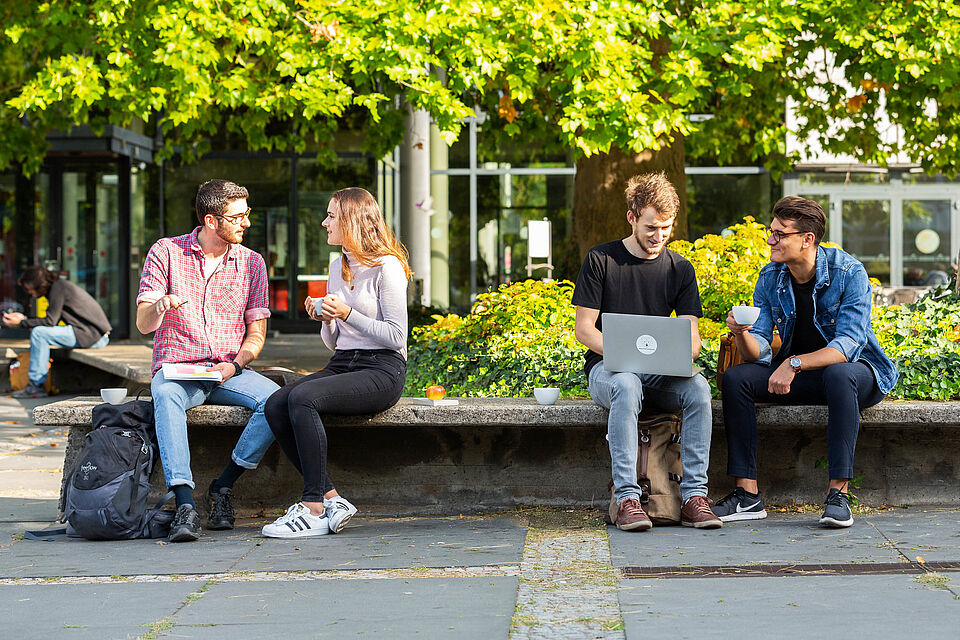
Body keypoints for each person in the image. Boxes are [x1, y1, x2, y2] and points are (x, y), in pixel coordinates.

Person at [714, 196, 898, 528]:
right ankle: (747, 495)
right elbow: (759, 346)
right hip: (805, 378)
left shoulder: (848, 272)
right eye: (771, 232)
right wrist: (741, 334)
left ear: (807, 239)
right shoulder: (771, 277)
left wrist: (794, 363)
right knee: (735, 379)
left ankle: (838, 494)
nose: (770, 240)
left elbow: (848, 345)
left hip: (857, 376)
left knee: (839, 374)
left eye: (779, 234)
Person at [572, 172, 722, 531]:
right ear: (632, 218)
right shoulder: (601, 260)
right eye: (651, 228)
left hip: (657, 373)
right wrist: (624, 354)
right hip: (608, 371)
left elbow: (693, 337)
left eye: (666, 229)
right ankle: (627, 499)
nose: (658, 237)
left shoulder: (680, 269)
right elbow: (584, 330)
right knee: (626, 384)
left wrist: (685, 353)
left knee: (699, 389)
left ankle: (694, 497)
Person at [261, 187, 410, 538]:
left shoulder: (386, 267)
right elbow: (333, 343)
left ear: (352, 221)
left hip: (382, 368)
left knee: (302, 398)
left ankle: (313, 508)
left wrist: (347, 312)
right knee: (276, 403)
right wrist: (325, 318)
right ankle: (331, 497)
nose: (324, 222)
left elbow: (396, 337)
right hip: (344, 362)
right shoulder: (336, 264)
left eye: (332, 216)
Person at [136, 179, 279, 542]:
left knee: (277, 401)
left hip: (229, 372)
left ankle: (223, 486)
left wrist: (235, 364)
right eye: (239, 216)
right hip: (180, 370)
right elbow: (142, 324)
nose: (247, 222)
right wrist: (159, 306)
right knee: (165, 396)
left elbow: (256, 334)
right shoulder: (166, 252)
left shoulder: (252, 263)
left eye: (248, 213)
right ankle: (185, 503)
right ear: (212, 221)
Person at [3, 266, 111, 398]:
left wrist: (21, 323)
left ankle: (35, 386)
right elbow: (51, 319)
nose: (29, 293)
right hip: (90, 334)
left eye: (28, 289)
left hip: (92, 335)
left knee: (39, 333)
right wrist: (24, 319)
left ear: (37, 284)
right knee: (40, 333)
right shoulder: (59, 287)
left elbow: (50, 321)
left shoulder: (58, 288)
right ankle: (36, 383)